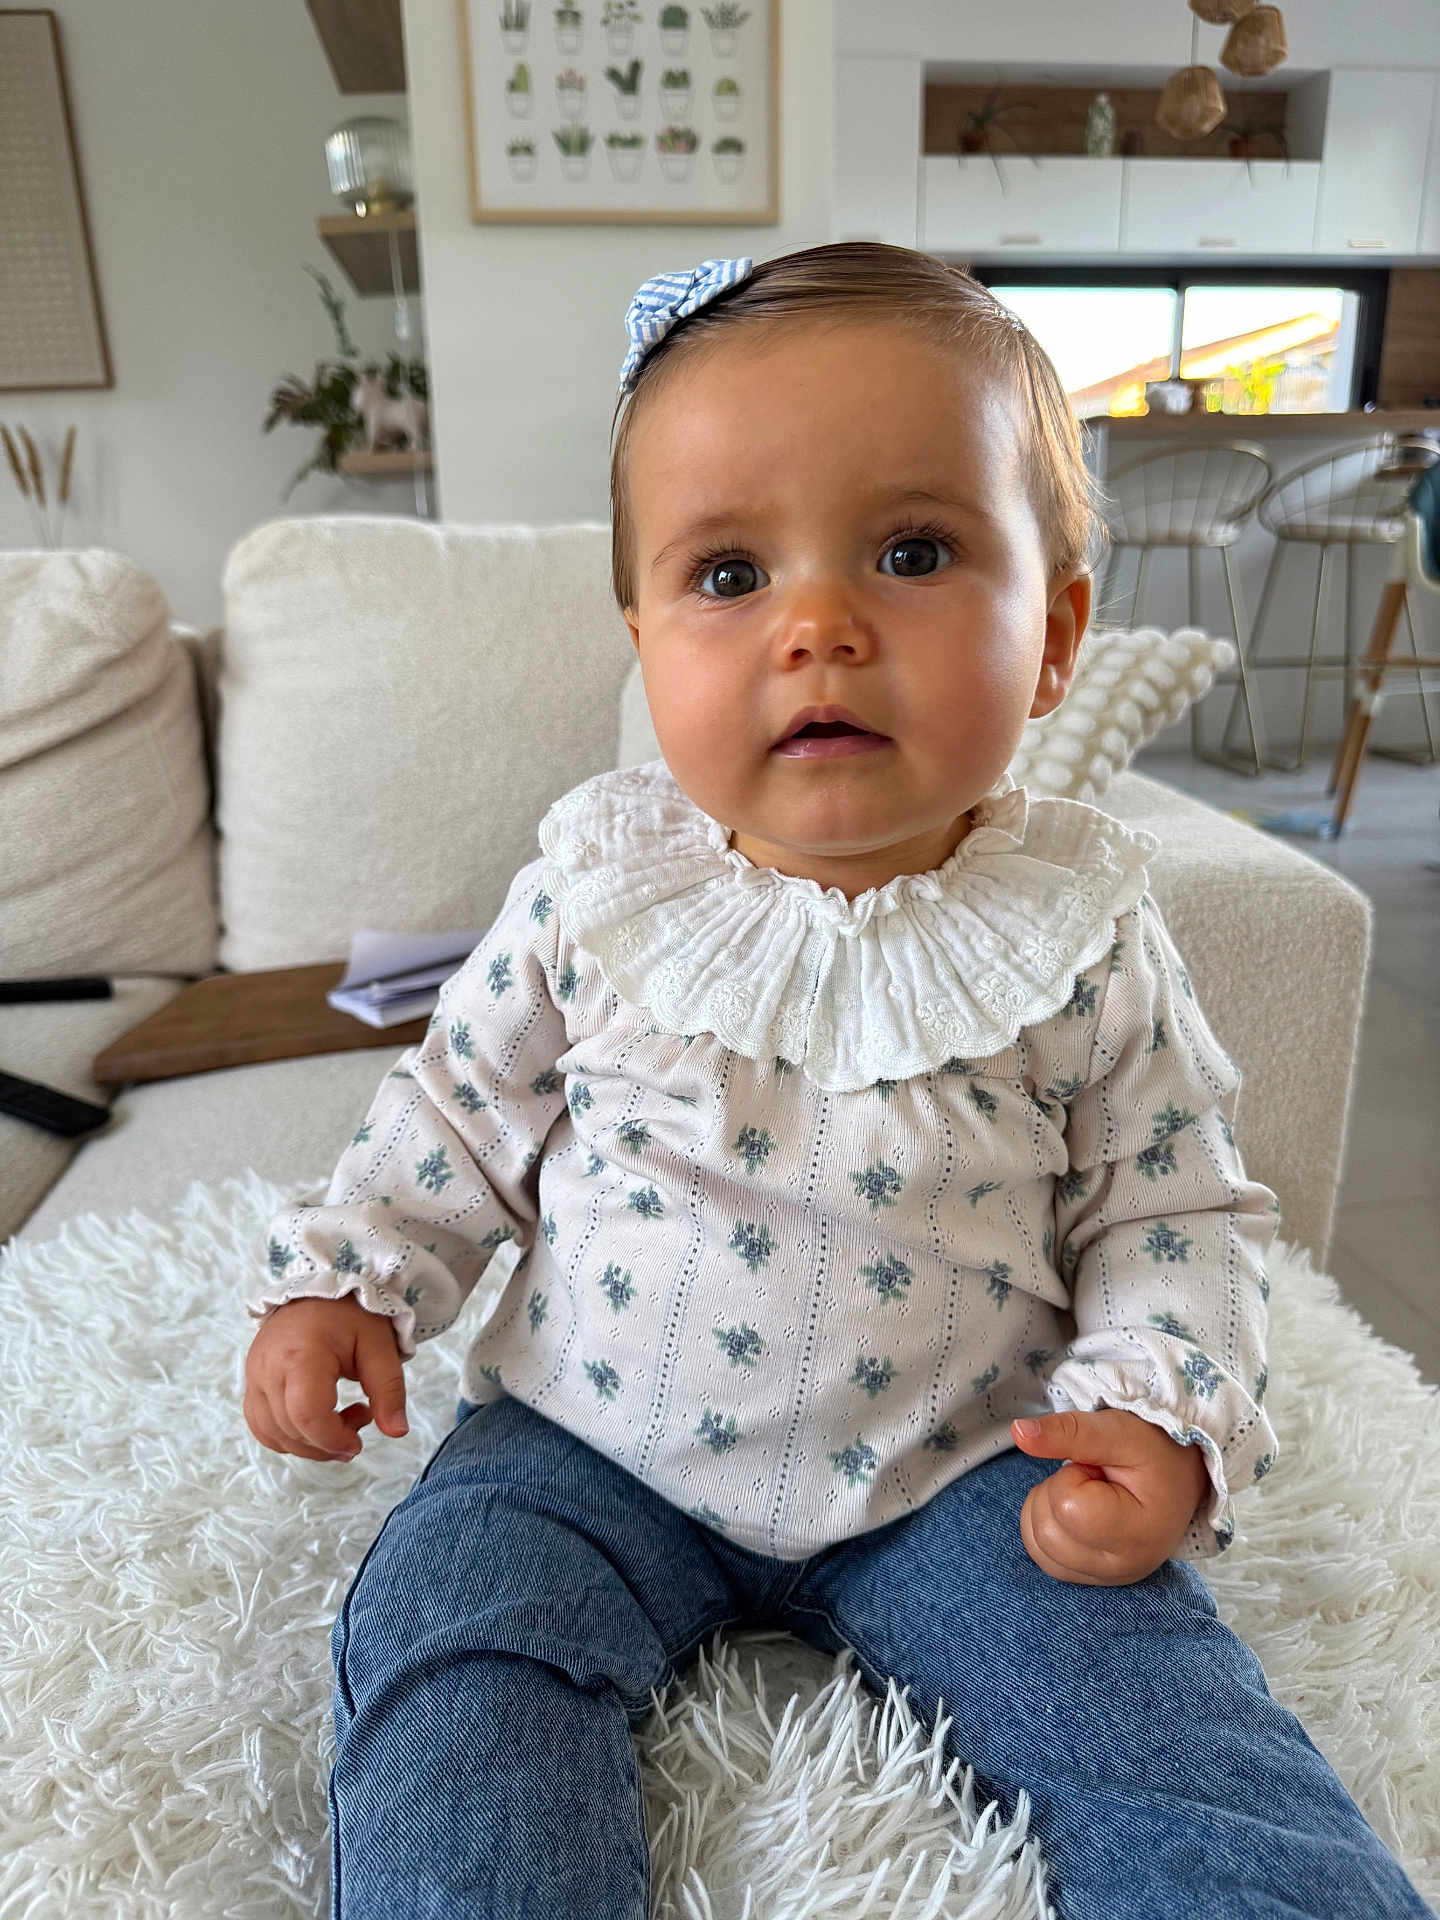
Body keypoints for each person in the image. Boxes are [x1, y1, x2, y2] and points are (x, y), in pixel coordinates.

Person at [242, 243, 1435, 1920]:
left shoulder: (1081, 933)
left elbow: (1174, 1207)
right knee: (459, 1653)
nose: (820, 624)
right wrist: (351, 1284)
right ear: (644, 639)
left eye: (912, 551)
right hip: (591, 1445)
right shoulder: (597, 893)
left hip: (961, 1464)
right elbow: (454, 1112)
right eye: (729, 573)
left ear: (1056, 636)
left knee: (1169, 1728)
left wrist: (1159, 1409)